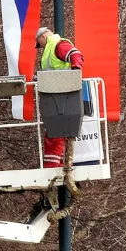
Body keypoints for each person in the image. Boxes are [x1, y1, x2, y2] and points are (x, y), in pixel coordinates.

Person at [35, 27, 84, 168]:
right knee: (56, 132)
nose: (40, 47)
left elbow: (76, 55)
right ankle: (58, 164)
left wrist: (75, 73)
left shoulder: (58, 44)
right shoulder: (52, 47)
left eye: (39, 43)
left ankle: (53, 167)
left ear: (43, 36)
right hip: (55, 95)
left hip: (63, 94)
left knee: (56, 132)